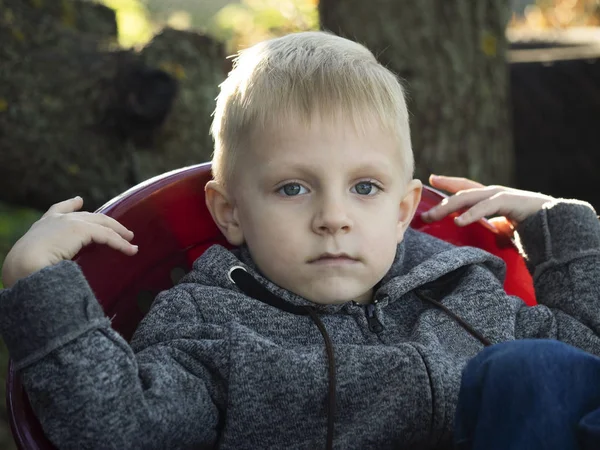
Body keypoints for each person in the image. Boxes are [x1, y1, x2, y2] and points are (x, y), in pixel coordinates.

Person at [1, 30, 600, 450]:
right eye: (292, 189)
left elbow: (585, 362)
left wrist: (559, 223)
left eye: (364, 187)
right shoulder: (214, 327)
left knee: (539, 372)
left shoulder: (462, 291)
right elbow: (118, 429)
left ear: (404, 209)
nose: (333, 217)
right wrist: (39, 282)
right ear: (230, 212)